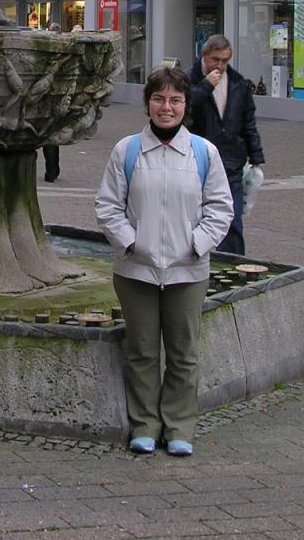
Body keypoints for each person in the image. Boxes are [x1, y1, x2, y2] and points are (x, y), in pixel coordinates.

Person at [95, 66, 232, 457]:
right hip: (136, 269)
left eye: (174, 100)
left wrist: (196, 244)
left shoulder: (203, 153)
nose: (166, 107)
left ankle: (179, 426)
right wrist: (131, 243)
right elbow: (108, 207)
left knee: (183, 353)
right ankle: (145, 425)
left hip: (187, 271)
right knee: (141, 351)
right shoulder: (127, 151)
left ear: (185, 105)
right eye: (159, 99)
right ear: (148, 104)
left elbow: (221, 208)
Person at [186, 34, 265, 255]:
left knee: (232, 220)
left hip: (231, 162)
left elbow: (248, 121)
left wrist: (256, 157)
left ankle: (234, 264)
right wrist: (205, 86)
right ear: (204, 55)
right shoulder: (188, 79)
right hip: (197, 162)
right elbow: (182, 108)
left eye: (224, 61)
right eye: (215, 60)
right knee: (196, 219)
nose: (220, 66)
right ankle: (196, 263)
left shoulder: (238, 83)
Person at [42, 22, 62, 182]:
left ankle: (52, 171)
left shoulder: (45, 51)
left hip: (45, 100)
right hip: (55, 98)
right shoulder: (62, 49)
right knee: (52, 138)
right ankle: (53, 170)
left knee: (49, 138)